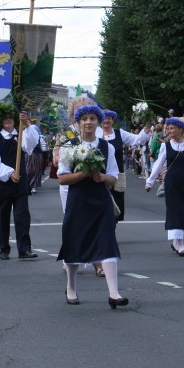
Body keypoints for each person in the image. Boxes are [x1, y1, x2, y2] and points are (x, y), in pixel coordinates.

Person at [57, 105, 127, 308]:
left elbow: (113, 178)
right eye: (85, 119)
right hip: (78, 200)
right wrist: (83, 175)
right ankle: (71, 287)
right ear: (78, 122)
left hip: (100, 201)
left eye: (93, 118)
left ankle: (114, 293)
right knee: (74, 242)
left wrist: (101, 176)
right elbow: (62, 178)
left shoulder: (107, 147)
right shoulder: (70, 145)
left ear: (98, 122)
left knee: (107, 242)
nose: (89, 122)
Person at [145, 117, 184, 256]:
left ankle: (177, 239)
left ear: (181, 129)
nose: (169, 131)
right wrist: (149, 182)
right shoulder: (165, 146)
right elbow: (158, 164)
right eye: (168, 128)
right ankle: (178, 241)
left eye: (172, 128)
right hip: (172, 182)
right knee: (174, 209)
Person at [0, 103, 39, 260]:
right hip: (2, 183)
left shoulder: (21, 135)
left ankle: (24, 249)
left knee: (22, 216)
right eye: (5, 118)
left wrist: (28, 125)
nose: (8, 120)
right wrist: (9, 173)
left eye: (11, 118)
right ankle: (4, 248)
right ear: (0, 121)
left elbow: (30, 146)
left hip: (20, 182)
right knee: (2, 217)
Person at [101, 110, 150, 222]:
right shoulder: (96, 134)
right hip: (100, 175)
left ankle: (111, 231)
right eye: (104, 117)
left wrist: (147, 127)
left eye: (109, 118)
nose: (106, 120)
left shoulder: (119, 133)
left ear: (112, 120)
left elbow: (138, 139)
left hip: (117, 175)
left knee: (116, 206)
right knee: (101, 204)